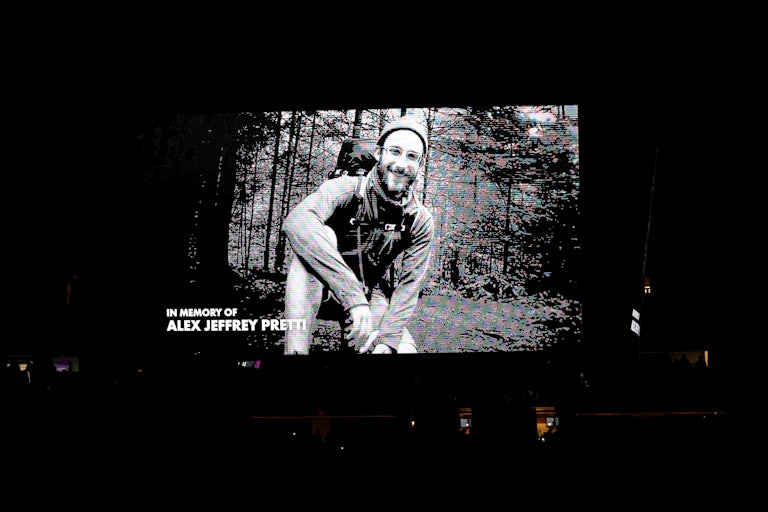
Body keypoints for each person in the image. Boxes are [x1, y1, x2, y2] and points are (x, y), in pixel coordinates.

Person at [282, 116, 435, 354]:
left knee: (403, 351)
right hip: (321, 287)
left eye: (412, 156)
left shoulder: (419, 218)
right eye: (395, 151)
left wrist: (389, 338)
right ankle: (295, 352)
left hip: (369, 294)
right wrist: (351, 295)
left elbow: (409, 285)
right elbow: (297, 222)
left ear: (421, 164)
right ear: (379, 152)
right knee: (317, 243)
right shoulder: (346, 187)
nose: (401, 164)